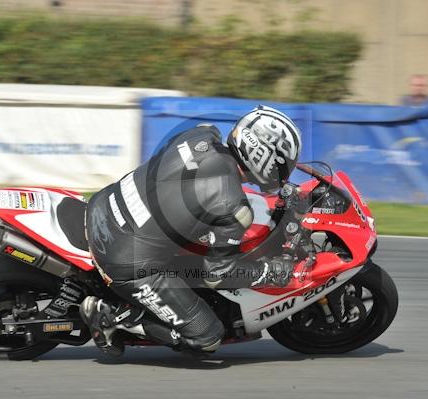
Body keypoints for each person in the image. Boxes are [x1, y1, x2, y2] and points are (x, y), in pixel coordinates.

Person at [80, 105, 302, 356]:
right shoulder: (234, 208)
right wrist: (268, 271)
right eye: (284, 164)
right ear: (264, 156)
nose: (285, 171)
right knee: (207, 337)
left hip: (102, 206)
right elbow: (218, 275)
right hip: (123, 258)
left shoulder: (201, 134)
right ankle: (113, 316)